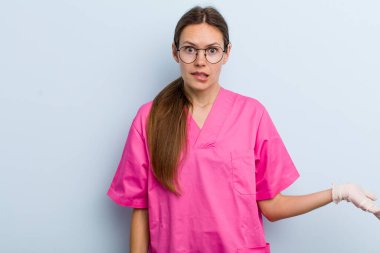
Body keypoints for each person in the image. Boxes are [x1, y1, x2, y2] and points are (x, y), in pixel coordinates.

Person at [106, 5, 380, 253]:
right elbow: (140, 208)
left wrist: (340, 192)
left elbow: (272, 206)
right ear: (175, 52)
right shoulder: (150, 118)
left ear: (226, 54)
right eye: (190, 49)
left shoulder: (251, 115)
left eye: (212, 50)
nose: (201, 61)